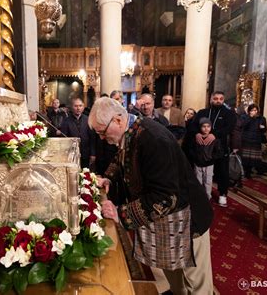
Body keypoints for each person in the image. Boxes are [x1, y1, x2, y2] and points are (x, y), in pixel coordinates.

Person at [89, 97, 214, 295]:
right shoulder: (131, 130)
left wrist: (121, 214)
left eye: (102, 132)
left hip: (188, 219)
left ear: (118, 120)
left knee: (196, 286)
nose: (102, 138)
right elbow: (121, 157)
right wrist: (109, 179)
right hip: (167, 220)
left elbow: (164, 197)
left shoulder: (153, 139)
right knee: (176, 281)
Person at [193, 91, 237, 207]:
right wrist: (197, 134)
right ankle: (201, 194)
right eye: (215, 98)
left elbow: (229, 128)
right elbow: (193, 125)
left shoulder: (229, 113)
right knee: (202, 174)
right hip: (203, 148)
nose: (218, 101)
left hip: (220, 147)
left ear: (223, 100)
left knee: (222, 171)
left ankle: (223, 194)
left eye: (221, 99)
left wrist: (214, 135)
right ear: (211, 99)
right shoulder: (203, 112)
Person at [191, 118, 223, 199]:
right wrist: (195, 157)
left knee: (208, 181)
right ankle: (198, 196)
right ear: (200, 127)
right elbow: (191, 149)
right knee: (198, 180)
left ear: (211, 127)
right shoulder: (197, 138)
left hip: (209, 163)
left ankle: (207, 196)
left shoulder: (214, 139)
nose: (206, 128)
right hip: (198, 163)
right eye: (203, 126)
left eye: (208, 126)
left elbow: (219, 152)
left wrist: (212, 158)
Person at [60, 98, 96, 169]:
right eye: (76, 106)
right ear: (72, 107)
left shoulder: (88, 119)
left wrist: (93, 154)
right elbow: (63, 139)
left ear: (83, 107)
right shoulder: (66, 121)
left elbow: (92, 138)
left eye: (80, 106)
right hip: (72, 155)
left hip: (86, 153)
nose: (78, 108)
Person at [240, 104, 267, 178]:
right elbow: (242, 126)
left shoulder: (262, 118)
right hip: (246, 139)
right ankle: (246, 172)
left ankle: (250, 171)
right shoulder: (244, 117)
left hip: (256, 140)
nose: (254, 112)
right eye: (252, 110)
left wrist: (262, 128)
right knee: (245, 158)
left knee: (253, 158)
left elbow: (265, 130)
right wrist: (250, 117)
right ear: (249, 111)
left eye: (255, 110)